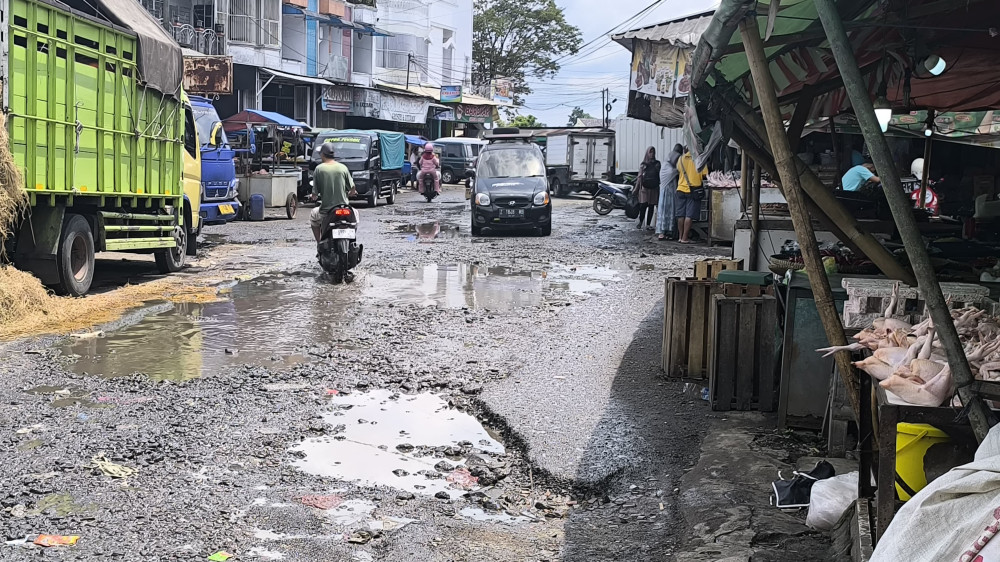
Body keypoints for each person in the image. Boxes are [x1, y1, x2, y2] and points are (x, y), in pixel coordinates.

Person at [309, 142, 356, 242]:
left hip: (327, 211)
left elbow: (315, 194)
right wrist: (351, 193)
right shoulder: (343, 168)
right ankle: (352, 239)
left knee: (313, 216)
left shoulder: (319, 169)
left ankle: (319, 242)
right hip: (345, 209)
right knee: (355, 217)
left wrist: (313, 196)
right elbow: (352, 188)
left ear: (322, 154)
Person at [675, 148, 708, 244]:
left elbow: (678, 170)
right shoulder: (700, 159)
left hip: (680, 189)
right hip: (693, 190)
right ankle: (685, 238)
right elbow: (705, 174)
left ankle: (680, 237)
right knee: (689, 215)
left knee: (680, 214)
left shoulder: (681, 158)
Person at [656, 144, 683, 241]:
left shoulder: (668, 164)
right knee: (664, 211)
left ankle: (668, 231)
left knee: (671, 211)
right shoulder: (666, 166)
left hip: (671, 192)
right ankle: (661, 232)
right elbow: (675, 172)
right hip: (666, 192)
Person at [636, 147, 661, 230]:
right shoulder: (644, 164)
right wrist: (637, 188)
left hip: (653, 188)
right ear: (647, 153)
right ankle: (641, 222)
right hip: (645, 188)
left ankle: (648, 224)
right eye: (650, 152)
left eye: (653, 152)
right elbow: (640, 177)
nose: (652, 154)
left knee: (651, 206)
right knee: (643, 205)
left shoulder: (657, 164)